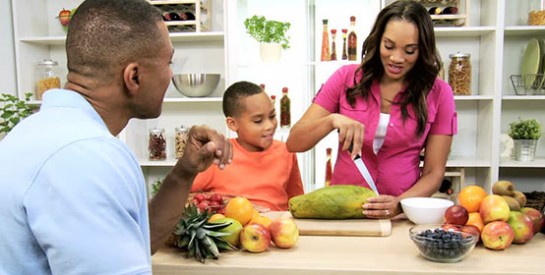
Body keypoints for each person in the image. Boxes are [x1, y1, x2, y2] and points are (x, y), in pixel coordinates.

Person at [0, 0, 232, 274]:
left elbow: (134, 244)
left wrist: (184, 172)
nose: (171, 75)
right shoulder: (86, 158)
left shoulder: (37, 132)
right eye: (168, 62)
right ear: (133, 76)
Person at [286, 0, 457, 220]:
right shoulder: (345, 79)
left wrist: (399, 204)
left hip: (399, 216)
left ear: (422, 49)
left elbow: (434, 172)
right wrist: (332, 120)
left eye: (410, 50)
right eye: (389, 46)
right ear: (377, 41)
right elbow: (295, 142)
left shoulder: (439, 93)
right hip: (342, 212)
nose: (396, 58)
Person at [190, 81, 304, 211]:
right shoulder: (218, 156)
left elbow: (297, 203)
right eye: (258, 121)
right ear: (232, 124)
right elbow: (183, 197)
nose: (270, 125)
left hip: (280, 227)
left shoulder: (286, 152)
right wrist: (228, 203)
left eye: (272, 116)